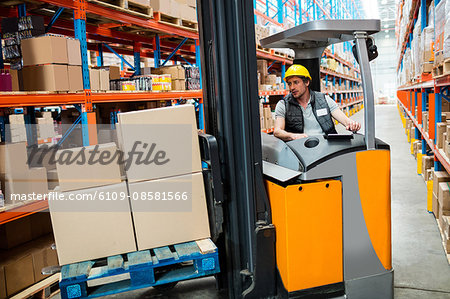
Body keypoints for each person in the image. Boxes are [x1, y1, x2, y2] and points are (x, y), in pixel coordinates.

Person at [274, 64, 361, 141]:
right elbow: (277, 131)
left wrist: (352, 124)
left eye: (296, 82)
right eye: (289, 84)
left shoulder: (324, 100)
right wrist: (293, 136)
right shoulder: (283, 104)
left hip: (326, 146)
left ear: (307, 82)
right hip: (300, 148)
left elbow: (345, 120)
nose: (292, 87)